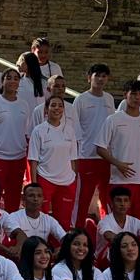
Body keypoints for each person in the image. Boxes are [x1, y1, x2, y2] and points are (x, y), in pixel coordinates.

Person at [96, 79, 140, 228]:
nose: (137, 97)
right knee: (119, 224)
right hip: (120, 181)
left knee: (139, 225)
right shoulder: (113, 120)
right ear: (125, 95)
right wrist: (118, 164)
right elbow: (100, 148)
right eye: (133, 94)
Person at [0, 69, 30, 212]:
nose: (12, 81)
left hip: (18, 157)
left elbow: (26, 132)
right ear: (2, 82)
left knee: (14, 197)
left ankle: (11, 231)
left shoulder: (24, 105)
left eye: (16, 78)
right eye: (9, 78)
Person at [29, 95, 80, 229]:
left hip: (67, 182)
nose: (57, 108)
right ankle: (41, 246)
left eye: (60, 105)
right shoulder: (38, 130)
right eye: (53, 105)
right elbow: (33, 160)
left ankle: (60, 248)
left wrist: (73, 178)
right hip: (45, 179)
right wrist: (34, 184)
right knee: (41, 218)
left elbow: (73, 158)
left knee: (64, 221)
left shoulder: (70, 130)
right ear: (46, 109)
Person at [74, 63, 115, 220]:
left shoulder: (109, 99)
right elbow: (75, 129)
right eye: (97, 75)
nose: (100, 79)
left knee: (106, 199)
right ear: (89, 77)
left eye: (104, 76)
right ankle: (78, 230)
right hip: (86, 156)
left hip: (106, 157)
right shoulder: (81, 100)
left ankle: (108, 232)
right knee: (84, 198)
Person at [95, 187, 140, 264]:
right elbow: (110, 237)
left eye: (126, 200)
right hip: (105, 262)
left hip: (129, 259)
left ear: (129, 204)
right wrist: (133, 245)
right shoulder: (104, 222)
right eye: (118, 200)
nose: (122, 204)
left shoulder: (134, 221)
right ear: (111, 204)